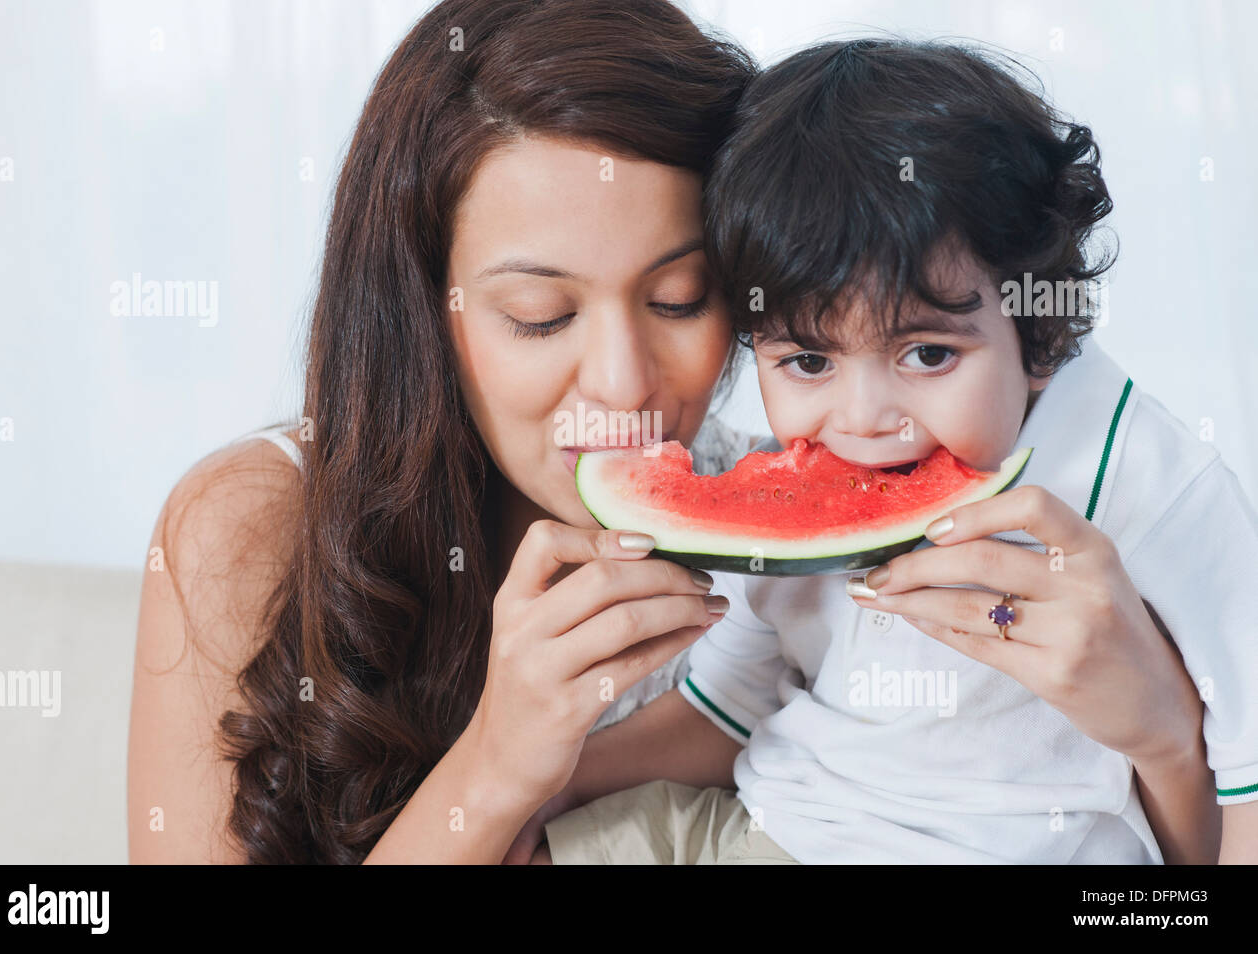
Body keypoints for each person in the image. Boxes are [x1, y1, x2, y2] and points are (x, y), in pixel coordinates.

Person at [126, 4, 1217, 864]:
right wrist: (502, 763)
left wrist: (1165, 734)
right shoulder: (248, 524)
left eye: (681, 299)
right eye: (539, 316)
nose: (620, 382)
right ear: (425, 312)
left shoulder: (781, 524)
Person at [532, 39, 1253, 864]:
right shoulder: (776, 473)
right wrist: (551, 782)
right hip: (767, 829)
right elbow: (726, 707)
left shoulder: (1143, 475)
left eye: (929, 354)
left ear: (1038, 332)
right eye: (808, 362)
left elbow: (1250, 772)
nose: (866, 419)